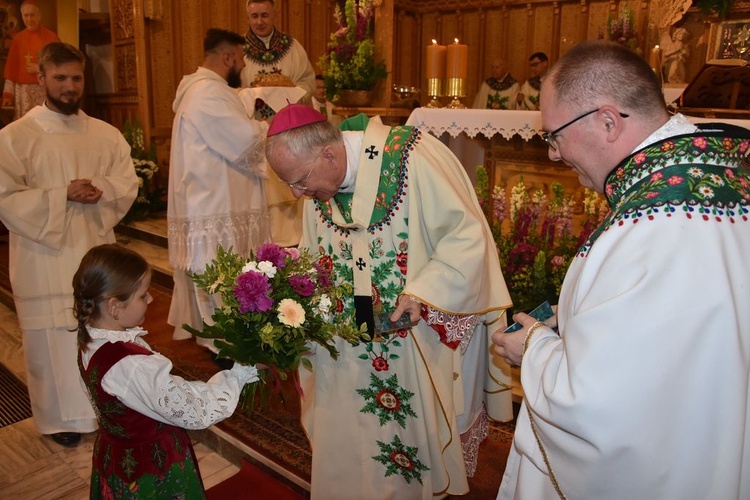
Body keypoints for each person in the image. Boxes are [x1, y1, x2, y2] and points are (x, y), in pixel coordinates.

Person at [492, 40, 750, 499]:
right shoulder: (724, 181)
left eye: (554, 135)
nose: (552, 154)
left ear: (608, 122)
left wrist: (531, 347)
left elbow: (600, 407)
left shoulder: (654, 224)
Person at [265, 104, 514, 499]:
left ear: (328, 154)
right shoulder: (317, 186)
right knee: (347, 431)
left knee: (406, 438)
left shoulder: (413, 158)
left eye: (299, 181)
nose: (297, 194)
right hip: (346, 342)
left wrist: (423, 291)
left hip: (411, 337)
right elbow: (316, 253)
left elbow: (466, 237)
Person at [0, 42, 138, 447]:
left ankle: (103, 409)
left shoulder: (105, 134)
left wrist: (102, 189)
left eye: (76, 77)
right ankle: (60, 420)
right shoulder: (15, 137)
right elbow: (6, 195)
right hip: (43, 255)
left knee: (97, 333)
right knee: (51, 340)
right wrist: (61, 195)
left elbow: (126, 182)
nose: (69, 86)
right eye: (59, 77)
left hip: (94, 248)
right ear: (40, 78)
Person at [74, 243, 259, 498]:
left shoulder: (92, 341)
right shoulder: (132, 365)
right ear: (114, 306)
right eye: (142, 295)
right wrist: (238, 375)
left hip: (115, 457)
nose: (151, 298)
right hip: (151, 469)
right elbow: (191, 410)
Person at [167, 28, 271, 349]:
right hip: (213, 201)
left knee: (220, 269)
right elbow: (241, 140)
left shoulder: (205, 91)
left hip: (215, 197)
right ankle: (222, 343)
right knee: (218, 269)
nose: (241, 65)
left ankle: (224, 336)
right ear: (227, 57)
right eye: (239, 59)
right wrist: (270, 127)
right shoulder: (207, 93)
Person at [240, 0, 316, 110]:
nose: (259, 22)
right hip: (250, 122)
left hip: (289, 118)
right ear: (248, 18)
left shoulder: (293, 46)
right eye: (254, 16)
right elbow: (230, 88)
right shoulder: (237, 48)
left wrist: (288, 97)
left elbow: (307, 82)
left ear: (275, 16)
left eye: (265, 15)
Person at [2, 0, 60, 120]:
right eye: (26, 15)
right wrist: (8, 96)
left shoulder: (52, 38)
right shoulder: (18, 40)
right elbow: (11, 72)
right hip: (22, 93)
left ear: (39, 15)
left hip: (44, 91)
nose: (29, 19)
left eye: (32, 15)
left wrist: (41, 68)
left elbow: (60, 67)